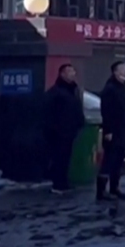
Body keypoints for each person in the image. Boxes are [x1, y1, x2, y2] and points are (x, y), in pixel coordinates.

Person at [43, 64, 86, 195]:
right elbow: (48, 113)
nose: (73, 74)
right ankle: (58, 184)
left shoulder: (72, 90)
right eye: (69, 72)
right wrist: (54, 129)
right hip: (59, 132)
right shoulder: (56, 92)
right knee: (59, 159)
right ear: (62, 74)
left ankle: (63, 183)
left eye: (73, 71)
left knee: (66, 158)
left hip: (70, 131)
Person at [97, 62, 125, 201]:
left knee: (118, 162)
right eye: (123, 70)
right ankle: (101, 191)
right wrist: (108, 131)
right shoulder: (110, 89)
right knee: (109, 161)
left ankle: (114, 188)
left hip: (122, 131)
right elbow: (107, 112)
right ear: (115, 72)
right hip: (113, 132)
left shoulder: (122, 88)